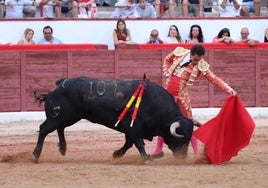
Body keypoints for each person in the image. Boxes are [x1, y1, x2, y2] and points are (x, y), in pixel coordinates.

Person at [151, 44, 237, 159]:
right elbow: (167, 59)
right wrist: (167, 70)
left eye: (199, 59)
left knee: (188, 123)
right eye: (195, 59)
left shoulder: (201, 65)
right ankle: (158, 150)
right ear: (190, 54)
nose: (197, 62)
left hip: (182, 96)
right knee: (162, 121)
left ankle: (196, 153)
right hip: (167, 94)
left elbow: (214, 79)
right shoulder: (180, 52)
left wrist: (228, 89)